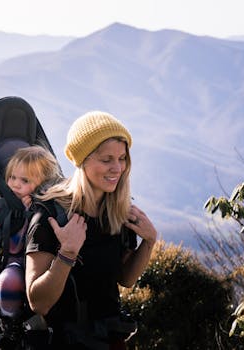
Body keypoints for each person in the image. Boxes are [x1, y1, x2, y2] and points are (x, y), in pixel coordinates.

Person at [25, 111, 158, 349]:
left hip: (110, 340)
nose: (117, 168)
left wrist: (148, 242)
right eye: (106, 160)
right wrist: (67, 253)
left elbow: (125, 279)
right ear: (82, 160)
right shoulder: (50, 216)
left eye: (122, 158)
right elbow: (38, 302)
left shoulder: (118, 213)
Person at [0, 145, 62, 320]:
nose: (16, 184)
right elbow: (13, 245)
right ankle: (9, 318)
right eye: (12, 177)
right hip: (17, 259)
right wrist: (24, 217)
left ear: (42, 184)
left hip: (46, 259)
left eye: (25, 181)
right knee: (8, 280)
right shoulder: (8, 206)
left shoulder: (45, 207)